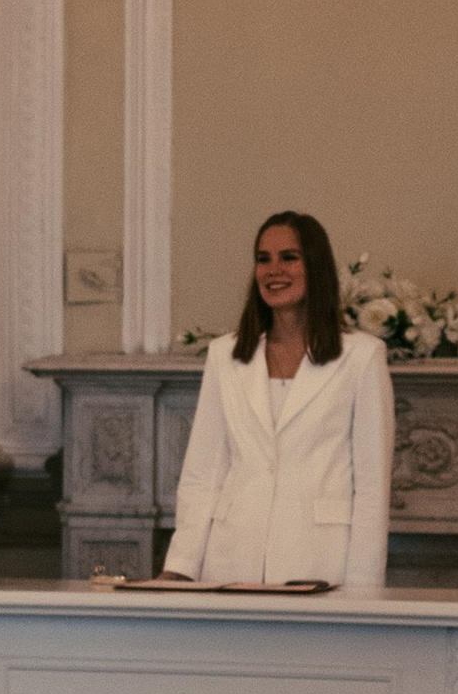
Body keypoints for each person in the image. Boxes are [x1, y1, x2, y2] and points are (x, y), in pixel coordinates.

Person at [163, 208, 393, 593]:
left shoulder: (362, 357)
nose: (274, 270)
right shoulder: (224, 355)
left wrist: (364, 589)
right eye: (263, 259)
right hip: (230, 559)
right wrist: (180, 566)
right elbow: (202, 474)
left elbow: (372, 488)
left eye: (289, 257)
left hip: (322, 564)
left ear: (315, 267)